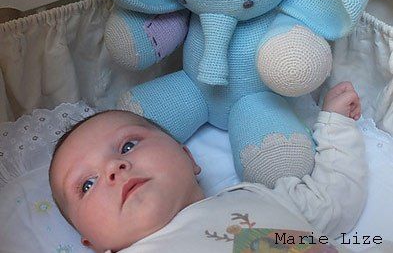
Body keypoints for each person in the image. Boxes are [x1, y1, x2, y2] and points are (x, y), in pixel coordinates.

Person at [49, 82, 370, 253]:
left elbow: (334, 202)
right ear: (90, 242)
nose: (112, 169)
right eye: (86, 185)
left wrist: (336, 124)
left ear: (188, 158)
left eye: (128, 145)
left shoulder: (255, 198)